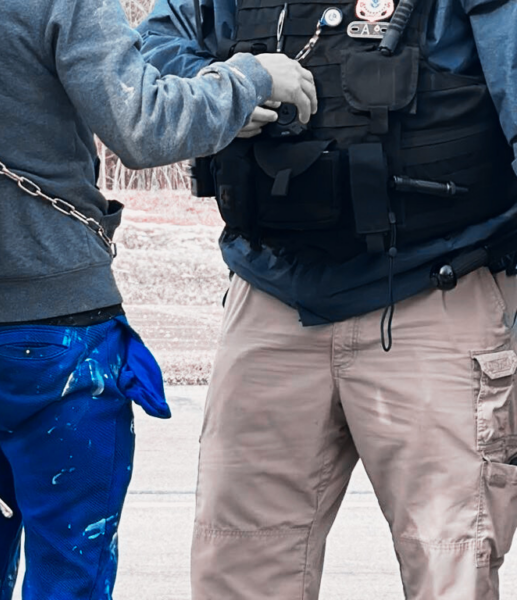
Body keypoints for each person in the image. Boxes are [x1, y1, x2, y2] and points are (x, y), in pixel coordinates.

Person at [0, 0, 316, 598]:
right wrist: (251, 77)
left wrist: (222, 100)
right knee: (71, 575)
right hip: (55, 324)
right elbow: (143, 124)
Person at [137, 0, 517, 598]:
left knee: (452, 571)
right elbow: (151, 57)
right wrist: (228, 90)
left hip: (439, 290)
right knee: (238, 572)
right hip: (269, 296)